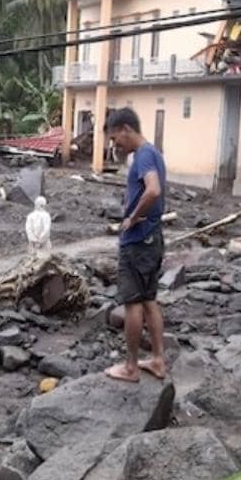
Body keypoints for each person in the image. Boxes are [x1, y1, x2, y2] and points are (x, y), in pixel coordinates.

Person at [103, 107, 167, 383]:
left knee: (133, 304)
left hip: (139, 241)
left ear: (127, 129)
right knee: (149, 301)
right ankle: (157, 360)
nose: (115, 145)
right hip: (152, 239)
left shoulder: (143, 156)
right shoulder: (151, 153)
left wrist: (132, 217)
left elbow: (153, 190)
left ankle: (130, 367)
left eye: (116, 139)